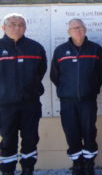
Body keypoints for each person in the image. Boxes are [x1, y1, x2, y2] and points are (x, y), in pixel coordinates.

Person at [50, 19, 102, 175]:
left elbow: (101, 73)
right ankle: (77, 163)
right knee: (71, 131)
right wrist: (66, 90)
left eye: (80, 28)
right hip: (67, 101)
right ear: (69, 31)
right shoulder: (60, 51)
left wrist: (91, 88)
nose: (78, 30)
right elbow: (54, 75)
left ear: (85, 29)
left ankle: (89, 164)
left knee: (89, 131)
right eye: (74, 28)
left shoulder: (95, 49)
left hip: (88, 100)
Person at [0, 13, 47, 175]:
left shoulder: (35, 48)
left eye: (21, 24)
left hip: (30, 104)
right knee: (6, 140)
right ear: (3, 27)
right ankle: (7, 171)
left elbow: (41, 71)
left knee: (30, 139)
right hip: (4, 106)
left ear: (25, 28)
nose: (17, 27)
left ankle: (28, 169)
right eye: (12, 24)